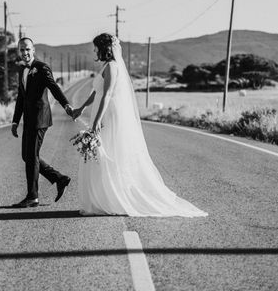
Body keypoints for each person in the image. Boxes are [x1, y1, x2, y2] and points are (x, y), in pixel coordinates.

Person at [72, 33, 208, 217]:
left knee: (109, 154)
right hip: (101, 113)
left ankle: (115, 199)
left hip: (109, 116)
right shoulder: (106, 66)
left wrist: (96, 121)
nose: (94, 50)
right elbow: (96, 92)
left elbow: (108, 94)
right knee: (101, 155)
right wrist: (81, 108)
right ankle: (105, 199)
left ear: (104, 48)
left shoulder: (112, 66)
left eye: (96, 46)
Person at [11, 37, 74, 208]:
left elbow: (54, 87)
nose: (24, 53)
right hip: (28, 119)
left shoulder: (41, 68)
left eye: (27, 49)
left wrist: (66, 104)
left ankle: (33, 196)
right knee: (27, 156)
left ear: (33, 50)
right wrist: (15, 121)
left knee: (31, 157)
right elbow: (21, 98)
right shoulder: (22, 70)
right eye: (21, 50)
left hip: (40, 119)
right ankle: (59, 178)